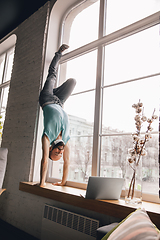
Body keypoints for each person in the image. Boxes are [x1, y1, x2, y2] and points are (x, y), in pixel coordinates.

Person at [38, 44, 76, 187]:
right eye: (60, 154)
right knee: (73, 81)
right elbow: (67, 162)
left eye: (56, 153)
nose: (60, 152)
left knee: (52, 75)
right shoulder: (65, 140)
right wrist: (63, 182)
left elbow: (44, 160)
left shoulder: (47, 137)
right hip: (59, 102)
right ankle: (57, 88)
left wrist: (42, 183)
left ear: (50, 149)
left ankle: (58, 53)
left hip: (47, 99)